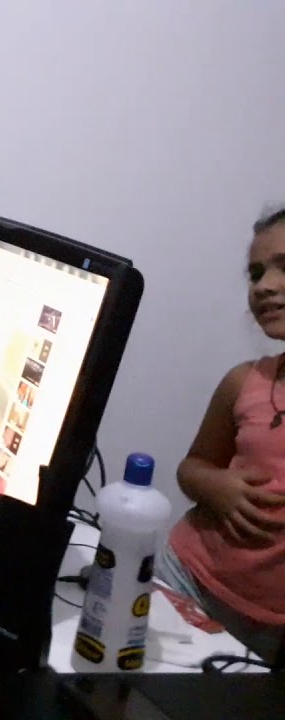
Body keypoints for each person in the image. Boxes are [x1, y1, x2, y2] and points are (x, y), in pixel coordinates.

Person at [157, 206, 285, 664]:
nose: (263, 285)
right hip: (188, 577)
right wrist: (217, 486)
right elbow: (192, 467)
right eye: (256, 273)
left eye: (284, 267)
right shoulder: (244, 382)